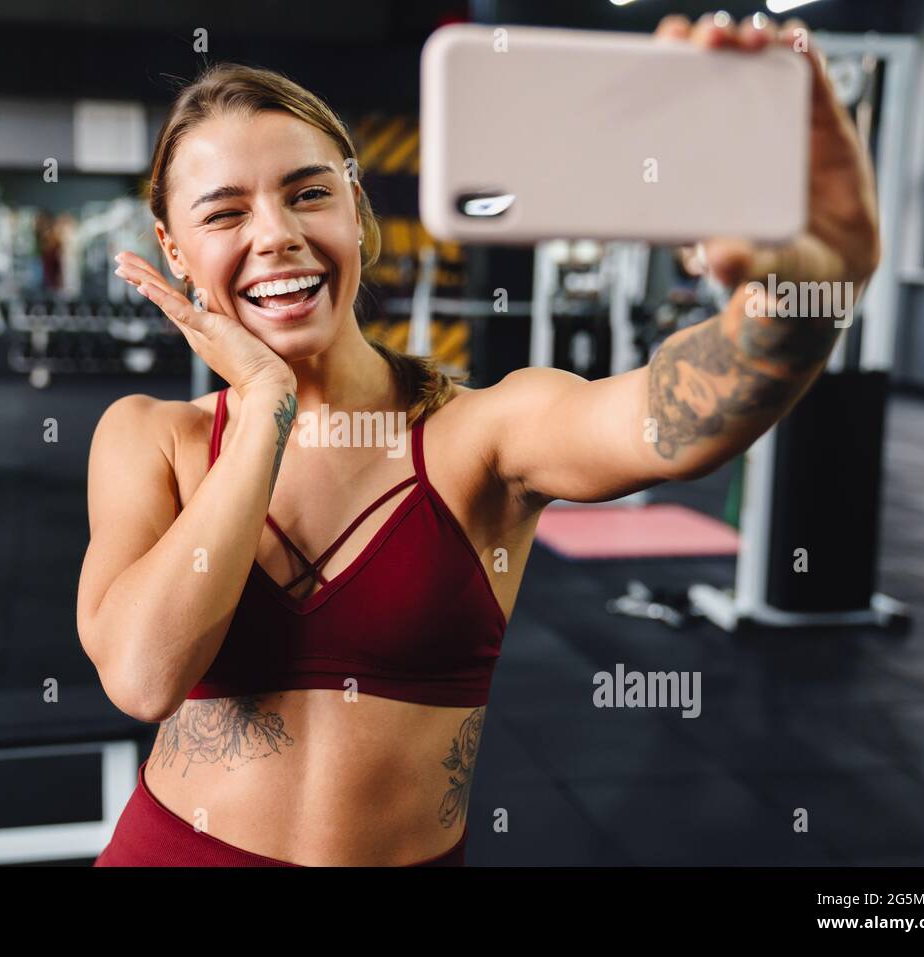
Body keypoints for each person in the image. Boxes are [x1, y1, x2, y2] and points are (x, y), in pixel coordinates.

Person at [79, 12, 879, 866]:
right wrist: (265, 406)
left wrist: (804, 295)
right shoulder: (148, 438)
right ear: (173, 251)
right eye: (225, 211)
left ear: (356, 208)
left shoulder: (484, 434)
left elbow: (675, 422)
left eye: (310, 192)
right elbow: (143, 676)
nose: (276, 233)